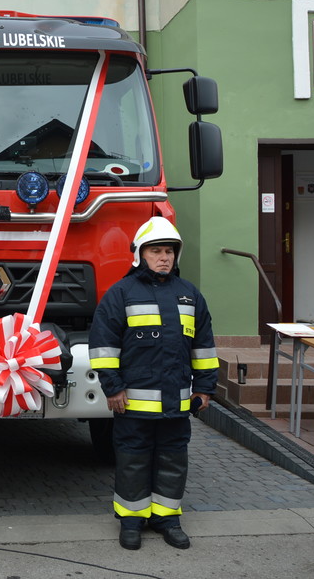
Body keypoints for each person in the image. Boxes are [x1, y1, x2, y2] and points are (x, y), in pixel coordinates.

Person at [88, 216, 218, 551]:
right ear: (140, 255)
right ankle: (131, 522)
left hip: (177, 403)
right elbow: (103, 346)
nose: (164, 257)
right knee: (133, 460)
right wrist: (112, 387)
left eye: (169, 251)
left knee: (173, 460)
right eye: (156, 251)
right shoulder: (121, 294)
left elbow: (203, 345)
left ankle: (167, 519)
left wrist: (205, 387)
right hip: (132, 404)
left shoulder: (190, 295)